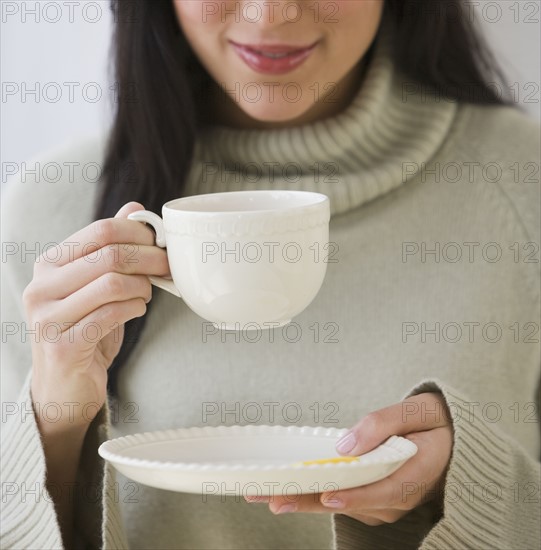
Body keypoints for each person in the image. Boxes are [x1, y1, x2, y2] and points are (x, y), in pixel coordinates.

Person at [1, 1, 539, 549]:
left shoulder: (523, 184)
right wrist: (57, 418)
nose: (271, 13)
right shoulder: (50, 211)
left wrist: (470, 489)